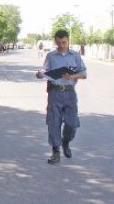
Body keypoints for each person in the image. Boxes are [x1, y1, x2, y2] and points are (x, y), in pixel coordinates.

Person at [36, 29, 87, 164]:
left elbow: (84, 74)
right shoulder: (51, 56)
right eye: (58, 42)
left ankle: (66, 141)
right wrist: (40, 73)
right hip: (55, 92)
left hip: (70, 93)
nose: (61, 45)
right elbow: (44, 69)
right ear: (55, 41)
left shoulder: (75, 56)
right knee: (54, 122)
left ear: (68, 40)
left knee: (71, 123)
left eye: (63, 42)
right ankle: (55, 151)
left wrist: (72, 76)